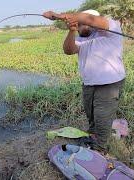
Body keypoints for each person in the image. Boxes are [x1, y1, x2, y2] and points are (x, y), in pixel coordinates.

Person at [43, 10, 126, 152]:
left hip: (109, 84)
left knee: (102, 117)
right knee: (91, 114)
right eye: (78, 25)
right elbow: (68, 50)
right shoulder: (81, 38)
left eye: (83, 23)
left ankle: (99, 149)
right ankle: (94, 135)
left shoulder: (112, 29)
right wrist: (71, 31)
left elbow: (90, 19)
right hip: (88, 83)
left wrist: (58, 16)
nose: (81, 27)